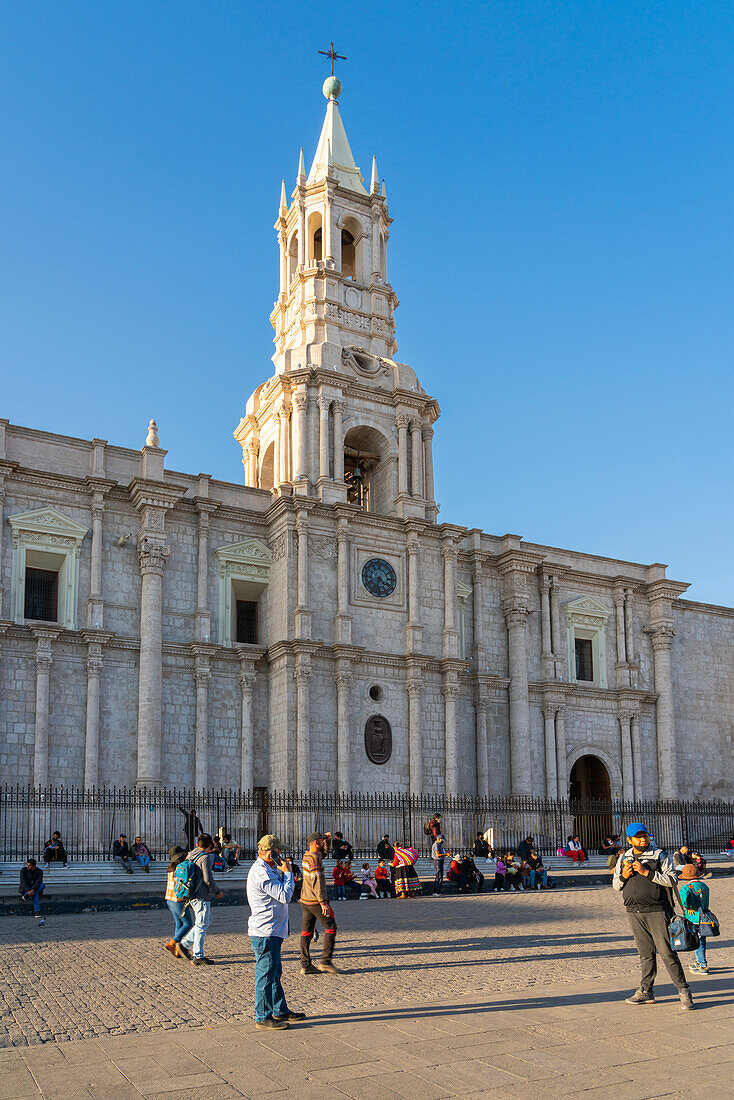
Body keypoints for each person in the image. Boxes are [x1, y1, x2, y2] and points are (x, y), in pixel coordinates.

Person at [613, 822, 694, 1010]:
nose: (643, 839)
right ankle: (646, 990)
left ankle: (683, 991)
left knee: (667, 952)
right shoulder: (624, 858)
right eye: (638, 837)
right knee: (645, 954)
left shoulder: (660, 855)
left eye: (645, 836)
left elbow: (672, 879)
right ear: (629, 840)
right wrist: (624, 875)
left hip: (657, 910)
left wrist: (646, 872)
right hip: (634, 911)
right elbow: (616, 885)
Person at [246, 833, 306, 1030]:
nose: (283, 856)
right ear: (271, 853)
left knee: (274, 972)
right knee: (265, 974)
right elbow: (284, 895)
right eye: (280, 852)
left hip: (274, 930)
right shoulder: (261, 873)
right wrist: (288, 873)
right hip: (266, 931)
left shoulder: (269, 870)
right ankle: (263, 1015)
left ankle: (280, 1010)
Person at [179, 833, 224, 965]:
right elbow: (207, 879)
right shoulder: (204, 858)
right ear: (210, 845)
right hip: (201, 894)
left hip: (191, 893)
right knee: (202, 923)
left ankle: (184, 944)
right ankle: (198, 955)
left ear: (198, 844)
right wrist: (217, 891)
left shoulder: (191, 854)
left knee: (205, 920)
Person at [300, 831, 339, 975]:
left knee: (306, 932)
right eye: (322, 841)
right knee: (331, 927)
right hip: (315, 900)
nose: (324, 843)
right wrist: (323, 902)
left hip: (305, 899)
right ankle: (325, 962)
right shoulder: (315, 859)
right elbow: (317, 883)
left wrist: (327, 841)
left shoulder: (308, 855)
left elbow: (325, 853)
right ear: (316, 842)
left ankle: (305, 964)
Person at [678, 864, 711, 975]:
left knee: (698, 941)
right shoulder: (704, 886)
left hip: (694, 917)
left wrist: (688, 907)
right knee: (702, 940)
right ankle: (699, 961)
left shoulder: (686, 888)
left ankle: (702, 964)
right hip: (704, 917)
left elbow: (684, 900)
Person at [164, 846, 194, 958]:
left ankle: (177, 949)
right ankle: (173, 943)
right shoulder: (180, 869)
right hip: (177, 900)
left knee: (179, 924)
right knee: (188, 924)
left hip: (169, 899)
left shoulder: (170, 868)